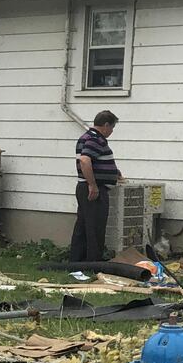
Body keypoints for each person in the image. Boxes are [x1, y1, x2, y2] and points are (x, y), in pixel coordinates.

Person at [70, 111, 123, 261]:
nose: (111, 132)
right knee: (96, 228)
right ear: (106, 125)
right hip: (93, 189)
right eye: (112, 128)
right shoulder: (96, 139)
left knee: (83, 225)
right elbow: (85, 161)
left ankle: (77, 261)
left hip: (84, 187)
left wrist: (113, 171)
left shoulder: (86, 137)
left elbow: (94, 160)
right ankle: (93, 263)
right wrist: (93, 185)